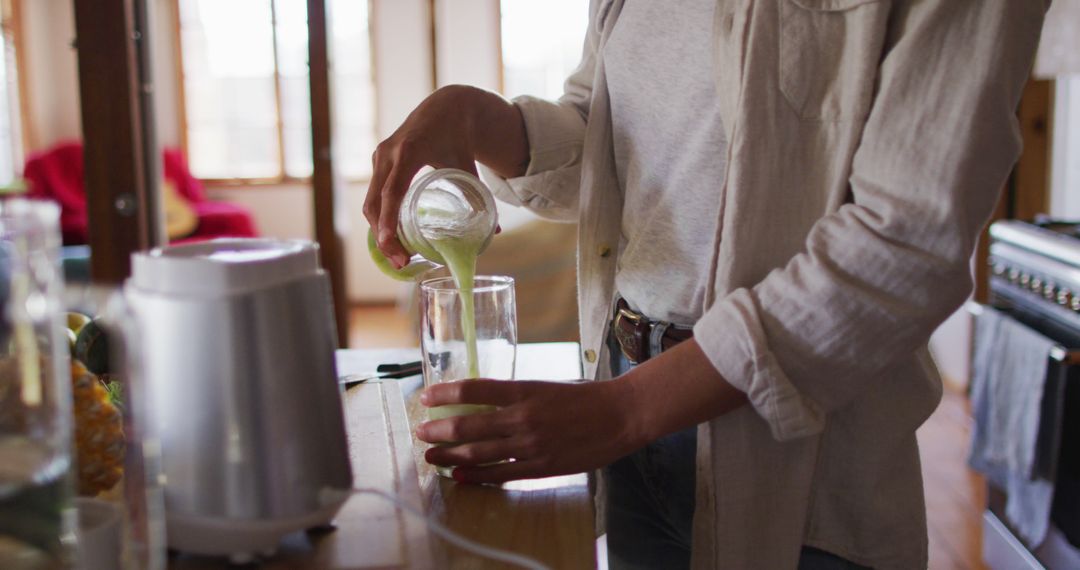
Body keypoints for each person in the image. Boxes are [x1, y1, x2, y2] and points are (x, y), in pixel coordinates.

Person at [363, 0, 1049, 568]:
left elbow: (907, 243)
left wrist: (624, 410)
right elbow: (604, 143)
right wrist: (473, 117)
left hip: (797, 458)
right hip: (630, 405)